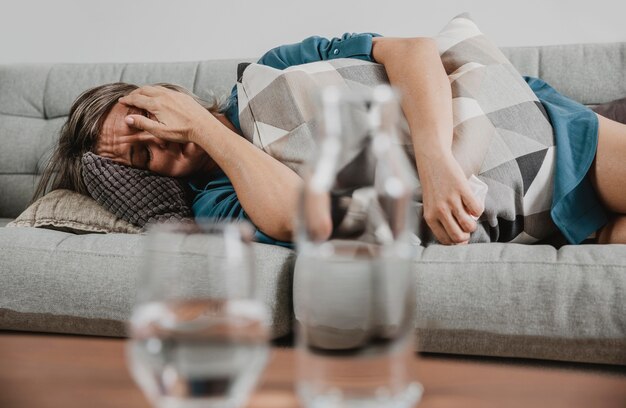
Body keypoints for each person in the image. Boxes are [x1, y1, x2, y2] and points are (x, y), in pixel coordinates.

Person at [35, 33, 626, 245]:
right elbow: (300, 219)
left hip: (540, 127)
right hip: (526, 211)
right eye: (143, 156)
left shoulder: (268, 71)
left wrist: (438, 162)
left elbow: (411, 50)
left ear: (159, 93)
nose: (163, 140)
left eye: (150, 117)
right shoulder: (219, 202)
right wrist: (209, 133)